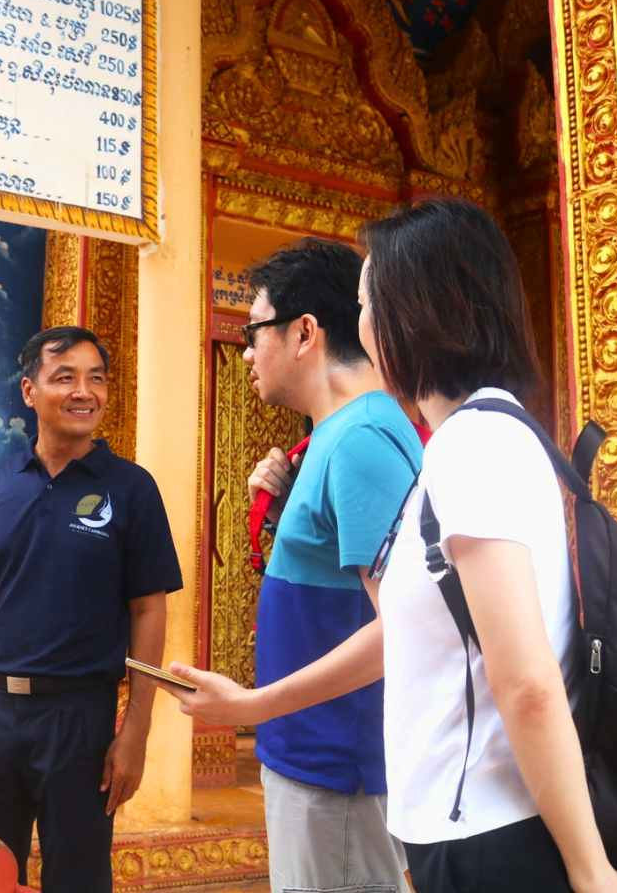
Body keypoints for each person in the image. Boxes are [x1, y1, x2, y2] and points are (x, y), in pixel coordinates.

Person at [358, 199, 617, 893]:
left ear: (416, 310)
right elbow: (417, 633)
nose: (364, 327)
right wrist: (257, 706)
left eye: (368, 303)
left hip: (499, 834)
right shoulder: (486, 438)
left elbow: (524, 681)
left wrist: (591, 873)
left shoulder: (475, 445)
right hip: (471, 827)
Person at [167, 240, 422, 893]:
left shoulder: (362, 440)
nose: (247, 351)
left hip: (336, 770)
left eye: (254, 331)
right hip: (312, 762)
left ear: (305, 331)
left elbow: (406, 628)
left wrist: (251, 706)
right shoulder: (338, 436)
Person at [0, 326, 183, 893]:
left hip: (80, 721)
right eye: (64, 377)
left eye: (96, 379)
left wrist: (136, 730)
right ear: (29, 390)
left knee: (78, 879)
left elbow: (149, 612)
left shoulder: (131, 489)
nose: (83, 391)